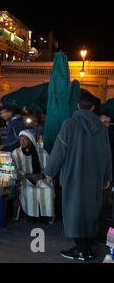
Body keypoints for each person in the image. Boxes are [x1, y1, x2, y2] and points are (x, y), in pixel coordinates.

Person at [45, 93, 112, 261]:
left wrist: (49, 172)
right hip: (95, 179)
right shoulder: (101, 127)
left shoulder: (70, 124)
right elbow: (107, 154)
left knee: (74, 212)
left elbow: (59, 150)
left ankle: (81, 250)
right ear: (93, 107)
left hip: (73, 177)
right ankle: (86, 249)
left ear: (77, 106)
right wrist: (107, 177)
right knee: (91, 212)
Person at [11, 129, 55, 223]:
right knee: (29, 191)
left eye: (24, 139)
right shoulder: (16, 153)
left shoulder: (42, 152)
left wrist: (42, 175)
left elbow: (50, 167)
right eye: (20, 139)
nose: (21, 142)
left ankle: (46, 216)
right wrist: (27, 175)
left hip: (40, 178)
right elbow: (14, 169)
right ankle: (32, 216)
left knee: (48, 190)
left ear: (30, 140)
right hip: (25, 179)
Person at [96, 112, 114, 243]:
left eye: (108, 122)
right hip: (95, 178)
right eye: (104, 122)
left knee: (102, 208)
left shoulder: (110, 136)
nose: (106, 125)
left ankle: (102, 236)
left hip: (107, 179)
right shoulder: (93, 136)